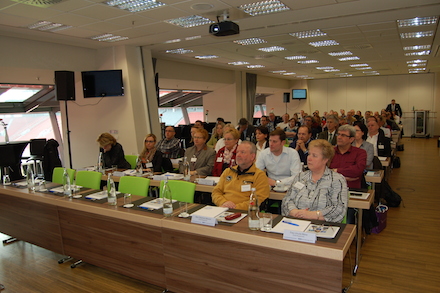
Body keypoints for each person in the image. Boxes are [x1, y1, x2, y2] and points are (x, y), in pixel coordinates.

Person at [281, 139, 348, 223]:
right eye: (309, 154)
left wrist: (311, 215)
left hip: (323, 225)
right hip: (296, 222)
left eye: (314, 155)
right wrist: (295, 212)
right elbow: (287, 200)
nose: (309, 158)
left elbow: (338, 208)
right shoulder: (300, 177)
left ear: (325, 160)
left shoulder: (337, 180)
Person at [211, 141, 270, 210]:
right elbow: (216, 192)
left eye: (242, 152)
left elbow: (259, 199)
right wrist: (223, 202)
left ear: (252, 156)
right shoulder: (228, 171)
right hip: (223, 209)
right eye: (237, 152)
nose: (238, 155)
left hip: (244, 213)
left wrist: (235, 208)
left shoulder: (259, 175)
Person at [329, 125, 367, 189]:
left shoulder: (360, 153)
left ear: (351, 139)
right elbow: (322, 171)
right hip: (331, 188)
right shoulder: (329, 152)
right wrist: (344, 177)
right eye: (338, 134)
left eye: (343, 135)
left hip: (352, 189)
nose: (339, 137)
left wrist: (335, 170)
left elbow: (357, 170)